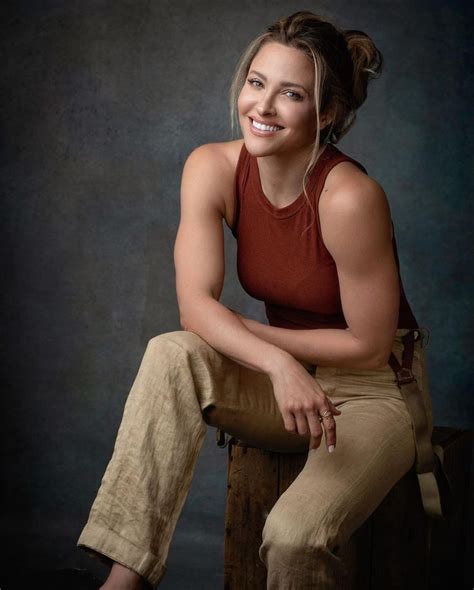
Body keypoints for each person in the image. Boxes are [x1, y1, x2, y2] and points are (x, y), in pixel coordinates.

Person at [77, 10, 444, 589]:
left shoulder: (349, 197)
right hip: (284, 379)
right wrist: (277, 364)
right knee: (174, 353)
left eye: (290, 94)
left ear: (327, 114)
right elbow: (194, 310)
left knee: (293, 536)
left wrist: (259, 344)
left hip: (374, 390)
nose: (263, 107)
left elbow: (370, 345)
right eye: (256, 82)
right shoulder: (212, 167)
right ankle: (123, 584)